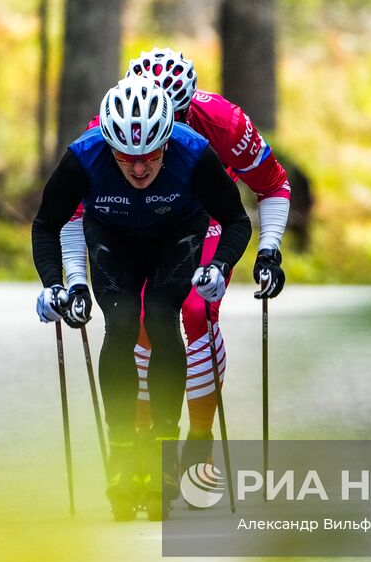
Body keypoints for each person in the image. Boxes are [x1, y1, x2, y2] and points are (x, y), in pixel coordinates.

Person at [59, 48, 291, 477]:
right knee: (142, 319)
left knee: (195, 310)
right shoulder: (107, 128)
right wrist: (71, 277)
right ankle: (148, 443)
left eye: (177, 119)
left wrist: (269, 251)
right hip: (138, 218)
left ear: (190, 105)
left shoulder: (225, 122)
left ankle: (199, 438)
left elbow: (272, 186)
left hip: (206, 217)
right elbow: (71, 210)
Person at [33, 75, 253, 521]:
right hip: (112, 233)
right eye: (126, 158)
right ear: (108, 145)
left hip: (176, 233)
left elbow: (236, 220)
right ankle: (123, 453)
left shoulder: (193, 152)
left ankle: (161, 452)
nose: (138, 169)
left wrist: (219, 266)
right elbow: (45, 224)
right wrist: (53, 283)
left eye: (150, 157)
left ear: (167, 144)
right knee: (121, 320)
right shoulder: (84, 155)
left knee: (160, 316)